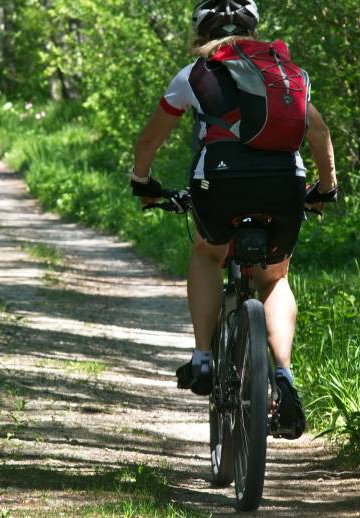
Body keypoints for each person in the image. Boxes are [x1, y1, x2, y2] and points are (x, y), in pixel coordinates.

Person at [130, 0, 338, 439]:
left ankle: (203, 358)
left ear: (200, 32)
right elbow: (318, 133)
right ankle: (284, 375)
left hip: (220, 185)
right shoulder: (284, 72)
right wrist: (325, 189)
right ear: (253, 29)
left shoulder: (194, 75)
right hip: (284, 183)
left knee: (207, 254)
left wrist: (143, 182)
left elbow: (150, 139)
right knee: (274, 279)